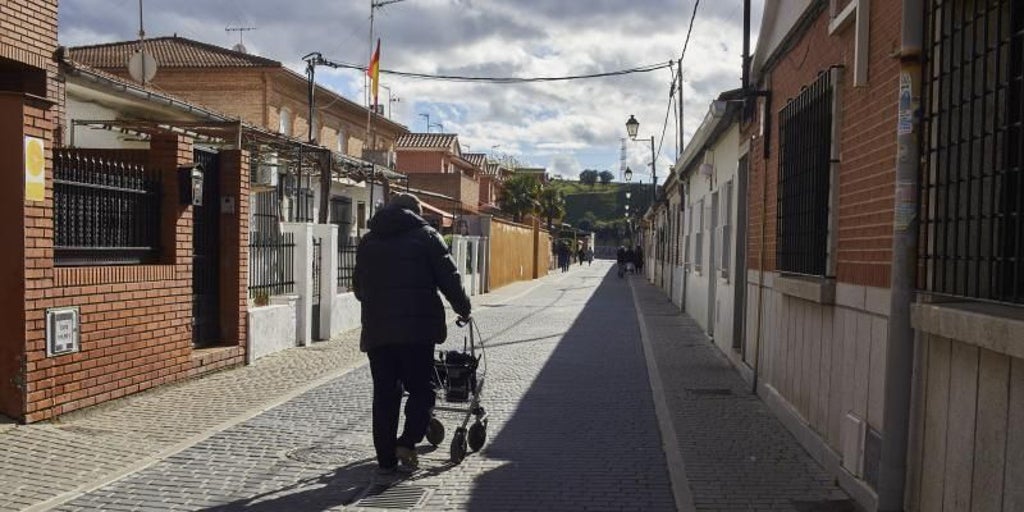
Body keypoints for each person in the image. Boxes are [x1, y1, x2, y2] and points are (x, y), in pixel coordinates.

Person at [353, 193, 472, 479]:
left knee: (385, 394)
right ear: (416, 213)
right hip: (417, 331)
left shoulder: (368, 241)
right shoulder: (427, 237)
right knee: (422, 389)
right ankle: (406, 442)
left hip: (378, 330)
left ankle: (385, 460)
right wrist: (463, 308)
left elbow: (358, 288)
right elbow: (449, 278)